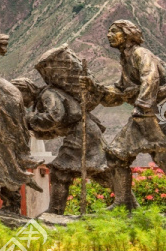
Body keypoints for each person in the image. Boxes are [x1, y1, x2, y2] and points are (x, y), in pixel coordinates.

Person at [12, 46, 109, 214]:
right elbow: (54, 128)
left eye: (20, 97)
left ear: (27, 90)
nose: (21, 102)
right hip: (85, 130)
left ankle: (55, 212)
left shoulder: (47, 95)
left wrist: (29, 119)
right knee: (98, 170)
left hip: (82, 131)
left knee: (60, 171)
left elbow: (54, 117)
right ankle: (126, 199)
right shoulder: (45, 97)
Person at [86, 20, 166, 209]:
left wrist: (142, 105)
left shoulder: (140, 53)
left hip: (156, 113)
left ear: (128, 34)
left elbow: (151, 78)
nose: (109, 35)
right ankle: (125, 203)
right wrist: (95, 89)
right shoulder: (126, 58)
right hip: (145, 114)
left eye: (114, 31)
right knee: (117, 155)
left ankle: (125, 204)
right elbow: (121, 90)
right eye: (109, 31)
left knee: (153, 157)